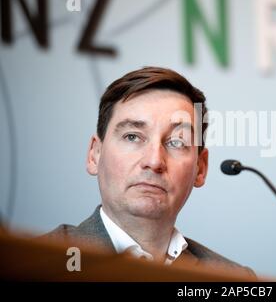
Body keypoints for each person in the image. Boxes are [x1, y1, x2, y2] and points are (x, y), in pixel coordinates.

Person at [42, 66, 254, 277]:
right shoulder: (33, 262)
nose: (154, 161)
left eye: (177, 142)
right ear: (94, 154)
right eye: (132, 137)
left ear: (200, 168)